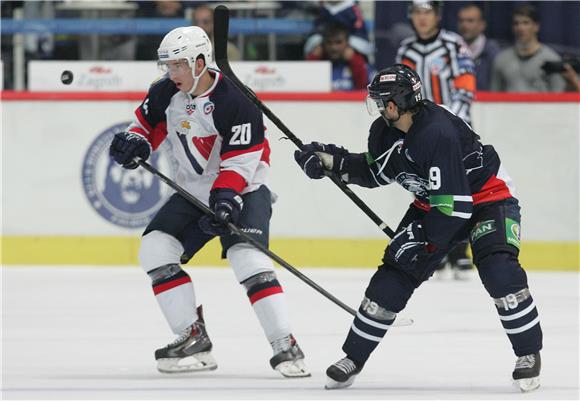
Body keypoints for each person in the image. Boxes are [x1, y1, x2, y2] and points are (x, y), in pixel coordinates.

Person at [293, 64, 543, 392]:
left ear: (395, 104)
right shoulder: (384, 132)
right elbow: (375, 172)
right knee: (395, 272)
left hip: (487, 200)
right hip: (435, 204)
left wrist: (421, 237)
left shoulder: (437, 132)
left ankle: (528, 354)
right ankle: (353, 357)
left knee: (498, 268)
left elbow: (456, 207)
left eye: (382, 101)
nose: (380, 108)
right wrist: (330, 162)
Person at [109, 26, 309, 378]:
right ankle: (192, 337)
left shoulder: (237, 100)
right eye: (168, 66)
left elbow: (241, 162)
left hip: (244, 188)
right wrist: (132, 144)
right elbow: (144, 126)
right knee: (155, 250)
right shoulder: (165, 92)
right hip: (193, 192)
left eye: (179, 65)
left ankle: (285, 344)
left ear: (200, 62)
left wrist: (227, 200)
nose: (172, 73)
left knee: (247, 259)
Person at [396, 0, 476, 278]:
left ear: (438, 15)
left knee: (460, 189)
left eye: (427, 11)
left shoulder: (454, 45)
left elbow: (465, 86)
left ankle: (460, 250)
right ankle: (438, 249)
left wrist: (451, 124)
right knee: (426, 189)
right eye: (417, 12)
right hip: (421, 134)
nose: (422, 17)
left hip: (454, 130)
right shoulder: (406, 49)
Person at [491, 3, 565, 92]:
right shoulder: (501, 59)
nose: (520, 28)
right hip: (509, 105)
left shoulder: (552, 59)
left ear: (536, 27)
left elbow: (559, 97)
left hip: (541, 105)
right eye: (516, 23)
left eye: (526, 23)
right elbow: (494, 95)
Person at [306, 21, 373, 91]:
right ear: (322, 44)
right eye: (329, 42)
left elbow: (362, 89)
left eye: (339, 42)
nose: (333, 48)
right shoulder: (318, 63)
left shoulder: (360, 64)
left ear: (347, 43)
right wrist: (313, 58)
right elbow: (305, 85)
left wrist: (355, 60)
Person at [457, 3, 501, 91]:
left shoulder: (494, 53)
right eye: (461, 21)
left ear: (482, 25)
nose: (465, 25)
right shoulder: (451, 50)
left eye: (470, 21)